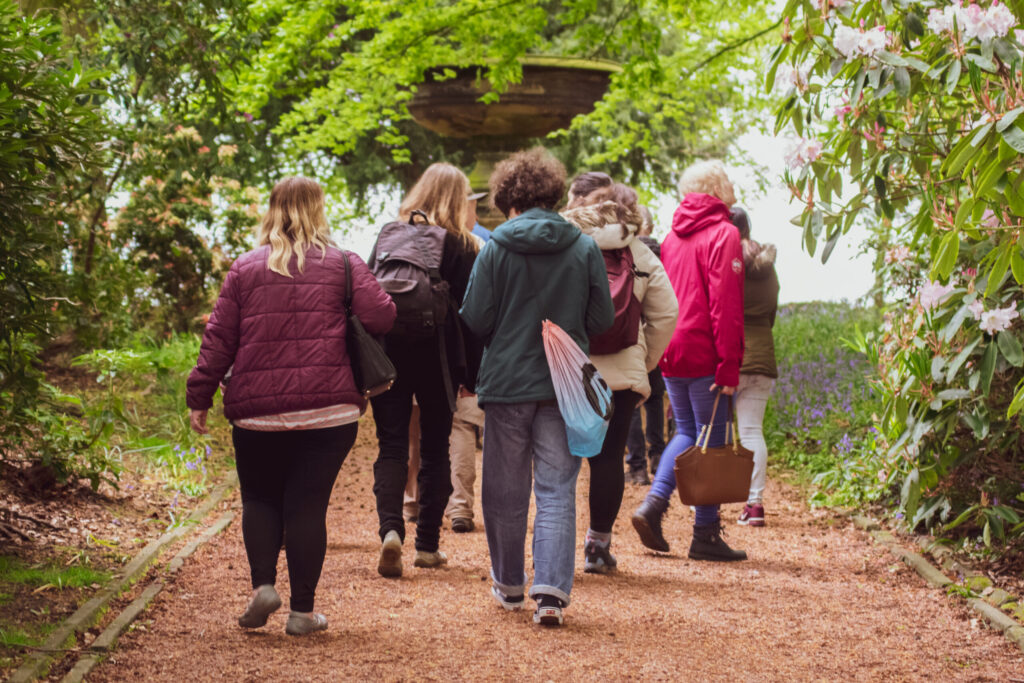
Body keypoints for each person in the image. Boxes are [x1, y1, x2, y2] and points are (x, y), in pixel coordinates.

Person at [186, 177, 396, 635]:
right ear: (319, 211)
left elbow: (217, 341)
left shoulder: (244, 268)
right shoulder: (343, 263)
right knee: (308, 505)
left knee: (259, 498)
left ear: (272, 210)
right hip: (329, 411)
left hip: (257, 413)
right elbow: (383, 315)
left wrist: (198, 396)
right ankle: (302, 612)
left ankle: (263, 585)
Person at [460, 147, 613, 626]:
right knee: (556, 488)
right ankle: (550, 594)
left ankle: (509, 585)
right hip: (562, 387)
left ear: (509, 199)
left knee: (504, 490)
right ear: (552, 193)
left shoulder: (497, 247)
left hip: (506, 383)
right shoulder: (584, 246)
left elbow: (475, 317)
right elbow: (602, 318)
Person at [631, 159, 748, 562]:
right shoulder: (724, 234)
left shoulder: (672, 236)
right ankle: (704, 534)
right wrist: (729, 363)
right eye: (729, 180)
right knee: (712, 440)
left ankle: (654, 504)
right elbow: (726, 304)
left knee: (686, 430)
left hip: (673, 348)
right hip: (705, 350)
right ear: (718, 188)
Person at [369, 163, 480, 578]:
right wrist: (472, 375)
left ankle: (390, 531)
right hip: (440, 353)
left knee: (392, 444)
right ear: (457, 198)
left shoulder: (387, 234)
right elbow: (472, 315)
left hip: (390, 351)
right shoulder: (463, 245)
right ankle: (427, 546)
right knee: (436, 446)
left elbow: (367, 294)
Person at [562, 184, 677, 574]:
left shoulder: (571, 245)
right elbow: (666, 315)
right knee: (609, 459)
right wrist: (644, 362)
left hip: (573, 368)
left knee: (564, 458)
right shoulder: (640, 251)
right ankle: (597, 546)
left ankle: (554, 546)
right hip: (624, 374)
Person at [730, 207, 779, 527]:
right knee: (751, 431)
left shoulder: (728, 265)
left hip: (731, 354)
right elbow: (772, 312)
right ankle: (755, 504)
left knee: (716, 431)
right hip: (763, 355)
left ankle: (708, 501)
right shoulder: (769, 268)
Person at [625, 206, 670, 485]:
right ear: (650, 228)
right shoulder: (664, 254)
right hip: (657, 334)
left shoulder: (626, 253)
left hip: (630, 336)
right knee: (654, 399)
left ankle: (637, 466)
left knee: (631, 404)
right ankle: (658, 457)